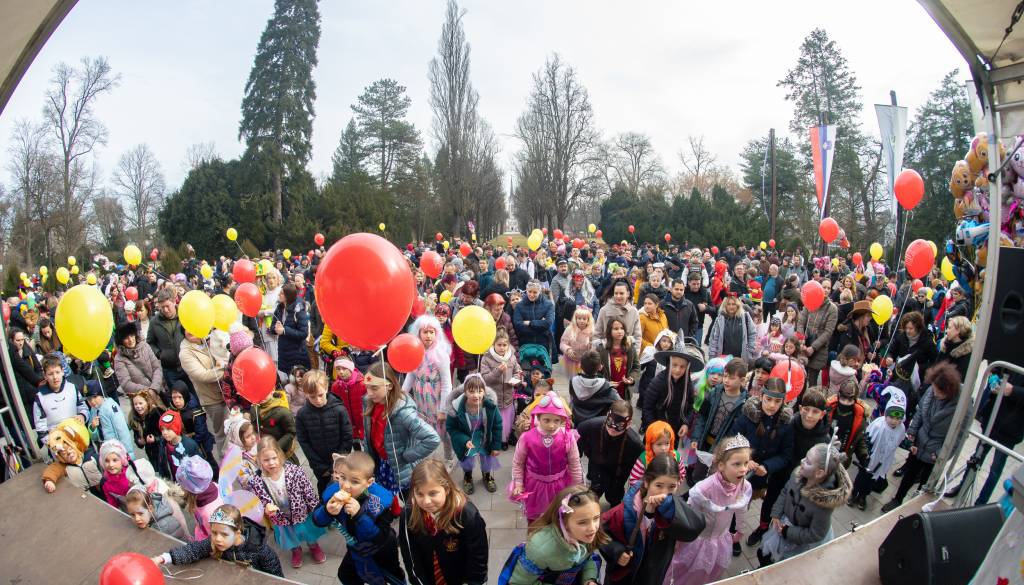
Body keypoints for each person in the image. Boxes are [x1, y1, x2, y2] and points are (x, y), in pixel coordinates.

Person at [600, 453, 706, 585]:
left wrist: (669, 508)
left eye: (671, 487)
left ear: (678, 484)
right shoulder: (623, 512)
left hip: (653, 576)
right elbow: (600, 532)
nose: (664, 493)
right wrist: (616, 551)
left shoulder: (674, 510)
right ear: (646, 482)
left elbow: (695, 528)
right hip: (625, 577)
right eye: (659, 485)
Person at [672, 435, 754, 585]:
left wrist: (740, 530)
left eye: (746, 463)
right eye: (737, 464)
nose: (743, 469)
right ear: (721, 465)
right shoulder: (705, 488)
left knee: (708, 573)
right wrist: (680, 540)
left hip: (720, 538)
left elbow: (741, 509)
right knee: (687, 573)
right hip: (698, 540)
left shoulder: (744, 485)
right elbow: (689, 515)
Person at [313, 452, 405, 583]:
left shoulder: (378, 502)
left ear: (369, 482)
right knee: (345, 576)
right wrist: (327, 511)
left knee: (392, 576)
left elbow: (381, 537)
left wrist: (359, 515)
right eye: (343, 478)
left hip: (382, 550)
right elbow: (317, 521)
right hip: (355, 547)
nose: (346, 486)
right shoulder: (333, 494)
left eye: (354, 481)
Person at [882, 362, 961, 512]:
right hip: (920, 442)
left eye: (939, 392)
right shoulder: (932, 390)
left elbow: (958, 436)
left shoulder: (960, 406)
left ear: (948, 391)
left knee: (926, 481)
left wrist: (941, 453)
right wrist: (912, 431)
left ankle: (919, 507)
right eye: (934, 389)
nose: (935, 394)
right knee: (910, 473)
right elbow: (920, 412)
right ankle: (897, 499)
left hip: (936, 451)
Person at [757, 443, 851, 566]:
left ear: (819, 473)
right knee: (764, 554)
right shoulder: (797, 475)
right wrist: (776, 513)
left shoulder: (823, 505)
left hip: (799, 540)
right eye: (805, 457)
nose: (802, 461)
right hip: (784, 525)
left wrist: (787, 532)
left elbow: (816, 533)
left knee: (784, 565)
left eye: (808, 461)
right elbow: (785, 491)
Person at [399, 459, 489, 585]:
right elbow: (410, 555)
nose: (426, 501)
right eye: (419, 494)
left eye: (433, 493)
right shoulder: (409, 513)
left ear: (446, 489)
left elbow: (478, 557)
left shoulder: (467, 514)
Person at [729, 379, 795, 548]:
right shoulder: (747, 416)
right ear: (761, 396)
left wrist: (767, 466)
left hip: (760, 477)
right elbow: (732, 440)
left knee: (744, 505)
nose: (772, 405)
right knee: (732, 504)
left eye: (777, 401)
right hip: (739, 472)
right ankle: (729, 533)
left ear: (783, 402)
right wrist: (746, 460)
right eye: (768, 399)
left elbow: (785, 454)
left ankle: (736, 534)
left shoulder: (786, 424)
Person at [500, 486, 607, 585]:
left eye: (596, 518)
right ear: (564, 522)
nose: (593, 528)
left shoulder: (587, 535)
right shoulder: (540, 550)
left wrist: (589, 580)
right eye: (582, 522)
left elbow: (588, 559)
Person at [363, 361, 441, 496]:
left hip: (400, 467)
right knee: (385, 494)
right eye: (367, 387)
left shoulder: (403, 412)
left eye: (374, 388)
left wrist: (406, 456)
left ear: (389, 386)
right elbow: (369, 433)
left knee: (407, 497)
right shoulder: (369, 402)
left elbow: (432, 438)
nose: (369, 393)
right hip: (381, 462)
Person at [249, 435, 327, 568]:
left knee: (308, 531)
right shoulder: (258, 481)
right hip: (281, 517)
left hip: (301, 512)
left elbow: (308, 490)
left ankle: (313, 546)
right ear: (259, 460)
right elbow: (259, 500)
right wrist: (266, 507)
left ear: (280, 455)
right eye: (266, 460)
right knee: (289, 536)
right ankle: (296, 550)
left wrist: (315, 508)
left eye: (274, 458)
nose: (271, 463)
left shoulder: (295, 471)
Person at [151, 504, 284, 577]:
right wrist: (163, 558)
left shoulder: (262, 551)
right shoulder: (214, 543)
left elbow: (276, 578)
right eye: (214, 533)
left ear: (237, 533)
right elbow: (193, 550)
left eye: (224, 534)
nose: (218, 539)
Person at [510, 391, 584, 523]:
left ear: (562, 420)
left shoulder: (568, 437)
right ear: (538, 417)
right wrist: (519, 483)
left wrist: (577, 486)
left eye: (556, 420)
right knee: (533, 520)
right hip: (534, 486)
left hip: (560, 486)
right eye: (547, 420)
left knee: (557, 518)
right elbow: (518, 463)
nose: (551, 425)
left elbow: (575, 464)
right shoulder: (527, 438)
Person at [404, 314, 454, 461]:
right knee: (424, 428)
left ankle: (449, 456)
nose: (428, 335)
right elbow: (411, 375)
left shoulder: (441, 355)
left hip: (436, 398)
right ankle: (427, 458)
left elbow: (447, 384)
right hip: (420, 396)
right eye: (425, 332)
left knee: (443, 430)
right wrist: (402, 393)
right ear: (418, 333)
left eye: (432, 332)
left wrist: (443, 410)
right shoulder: (415, 352)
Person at [296, 369, 354, 495]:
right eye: (312, 396)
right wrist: (319, 466)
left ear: (326, 388)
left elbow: (347, 436)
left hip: (340, 463)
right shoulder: (302, 415)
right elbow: (304, 442)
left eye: (320, 395)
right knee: (324, 491)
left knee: (343, 489)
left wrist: (338, 463)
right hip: (319, 467)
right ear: (306, 394)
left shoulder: (339, 410)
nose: (317, 400)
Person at [848, 388, 906, 510]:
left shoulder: (901, 429)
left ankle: (863, 496)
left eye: (898, 419)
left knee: (871, 481)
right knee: (861, 478)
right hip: (870, 459)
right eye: (892, 417)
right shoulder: (879, 425)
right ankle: (854, 494)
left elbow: (899, 442)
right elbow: (866, 440)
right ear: (886, 414)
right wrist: (864, 456)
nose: (894, 421)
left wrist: (909, 446)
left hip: (882, 462)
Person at [578, 400, 643, 507]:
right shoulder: (591, 426)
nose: (613, 427)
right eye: (611, 421)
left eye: (620, 424)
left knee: (614, 498)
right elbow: (578, 435)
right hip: (597, 470)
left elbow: (640, 465)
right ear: (607, 416)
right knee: (592, 497)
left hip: (617, 476)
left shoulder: (634, 443)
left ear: (628, 424)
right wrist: (582, 454)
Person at [445, 374, 502, 494]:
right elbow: (451, 428)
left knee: (486, 458)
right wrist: (464, 440)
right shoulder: (456, 408)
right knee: (468, 460)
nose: (476, 395)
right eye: (471, 391)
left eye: (479, 391)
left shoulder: (490, 406)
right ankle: (468, 476)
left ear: (484, 391)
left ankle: (487, 475)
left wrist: (496, 446)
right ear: (465, 392)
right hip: (468, 440)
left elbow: (497, 425)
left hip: (484, 438)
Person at [641, 333, 704, 434]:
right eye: (674, 365)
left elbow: (690, 406)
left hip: (675, 431)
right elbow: (647, 408)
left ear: (687, 368)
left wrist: (686, 423)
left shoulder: (688, 384)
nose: (678, 370)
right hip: (657, 432)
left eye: (682, 367)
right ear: (668, 364)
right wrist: (653, 428)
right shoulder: (658, 382)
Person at [179, 330, 228, 455]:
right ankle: (225, 462)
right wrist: (227, 371)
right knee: (222, 434)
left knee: (234, 430)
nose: (190, 330)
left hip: (228, 392)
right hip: (212, 398)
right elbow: (202, 375)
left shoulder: (209, 339)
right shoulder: (185, 353)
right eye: (186, 328)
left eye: (192, 326)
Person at [691, 358, 749, 457]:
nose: (726, 380)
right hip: (704, 443)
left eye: (731, 378)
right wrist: (696, 438)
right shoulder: (713, 393)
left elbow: (738, 432)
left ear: (742, 380)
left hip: (723, 450)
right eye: (725, 376)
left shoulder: (744, 404)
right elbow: (702, 416)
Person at [480, 329, 524, 448]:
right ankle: (495, 440)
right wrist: (498, 371)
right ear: (493, 344)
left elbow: (517, 371)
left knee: (507, 421)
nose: (502, 348)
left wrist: (516, 379)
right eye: (499, 345)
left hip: (508, 397)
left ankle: (505, 439)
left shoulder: (511, 357)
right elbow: (485, 379)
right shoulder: (486, 358)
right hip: (494, 398)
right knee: (495, 421)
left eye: (505, 345)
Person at [147, 288, 193, 398]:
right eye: (162, 307)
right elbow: (150, 342)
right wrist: (159, 354)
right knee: (178, 399)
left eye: (168, 306)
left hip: (188, 365)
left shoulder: (184, 315)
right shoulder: (154, 322)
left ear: (174, 301)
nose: (165, 310)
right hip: (170, 369)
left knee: (194, 395)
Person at [32, 354, 87, 442]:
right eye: (50, 374)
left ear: (62, 372)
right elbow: (41, 429)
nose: (55, 377)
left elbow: (83, 408)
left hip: (77, 437)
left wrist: (82, 416)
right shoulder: (40, 398)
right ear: (45, 376)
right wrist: (51, 442)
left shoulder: (72, 388)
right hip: (57, 442)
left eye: (57, 372)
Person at [98, 439, 167, 508]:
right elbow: (112, 504)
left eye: (115, 460)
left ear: (122, 459)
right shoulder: (105, 482)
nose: (111, 465)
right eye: (107, 461)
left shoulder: (132, 474)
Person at [113, 321, 167, 408]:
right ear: (121, 341)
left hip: (159, 391)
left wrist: (154, 387)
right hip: (142, 401)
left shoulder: (145, 346)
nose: (130, 340)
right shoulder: (119, 359)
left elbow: (157, 367)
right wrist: (147, 391)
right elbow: (126, 384)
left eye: (131, 335)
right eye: (126, 338)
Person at [166, 385, 218, 468]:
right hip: (182, 444)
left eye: (180, 397)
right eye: (174, 398)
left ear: (185, 396)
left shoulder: (195, 412)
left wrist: (191, 445)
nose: (177, 401)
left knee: (207, 463)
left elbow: (201, 432)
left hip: (199, 444)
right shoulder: (170, 412)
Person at [176, 454, 224, 541]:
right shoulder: (213, 486)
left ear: (191, 488)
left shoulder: (209, 514)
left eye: (181, 484)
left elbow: (216, 539)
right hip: (202, 531)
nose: (181, 487)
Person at [568, 350, 619, 430]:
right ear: (600, 367)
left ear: (580, 366)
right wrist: (610, 387)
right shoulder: (606, 386)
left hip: (578, 423)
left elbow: (572, 399)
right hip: (596, 426)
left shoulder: (572, 381)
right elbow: (619, 402)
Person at [826, 379, 869, 470]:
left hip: (842, 460)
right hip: (823, 455)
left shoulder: (859, 417)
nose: (845, 403)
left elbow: (859, 439)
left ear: (855, 400)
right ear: (838, 396)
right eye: (843, 399)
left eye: (849, 400)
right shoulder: (828, 410)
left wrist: (863, 456)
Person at [797, 290, 839, 386]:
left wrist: (813, 347)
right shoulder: (809, 303)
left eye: (828, 287)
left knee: (812, 380)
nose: (826, 290)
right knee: (800, 377)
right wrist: (801, 339)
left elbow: (828, 332)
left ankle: (811, 396)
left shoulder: (832, 308)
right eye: (824, 287)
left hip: (819, 349)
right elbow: (800, 323)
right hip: (804, 344)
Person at [628, 420, 687, 486]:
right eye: (659, 444)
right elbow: (634, 479)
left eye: (667, 443)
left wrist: (674, 484)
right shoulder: (644, 459)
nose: (663, 448)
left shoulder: (676, 456)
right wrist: (644, 488)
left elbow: (682, 473)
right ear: (650, 444)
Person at [595, 317, 641, 400]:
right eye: (616, 329)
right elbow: (595, 371)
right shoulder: (601, 349)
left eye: (622, 328)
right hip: (607, 392)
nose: (620, 331)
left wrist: (631, 378)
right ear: (609, 331)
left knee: (623, 408)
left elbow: (636, 367)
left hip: (624, 391)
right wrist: (606, 383)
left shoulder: (630, 347)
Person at [124, 486, 190, 541]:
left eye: (140, 514)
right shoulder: (148, 518)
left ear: (150, 509)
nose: (137, 519)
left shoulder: (164, 526)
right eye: (132, 515)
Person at [83, 380, 134, 450]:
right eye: (89, 399)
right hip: (104, 448)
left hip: (116, 449)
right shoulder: (93, 409)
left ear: (101, 394)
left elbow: (123, 431)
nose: (92, 401)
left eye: (95, 397)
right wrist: (93, 427)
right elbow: (95, 438)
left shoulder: (111, 407)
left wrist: (128, 453)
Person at [273, 283, 311, 376]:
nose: (279, 295)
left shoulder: (299, 310)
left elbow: (303, 333)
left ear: (288, 296)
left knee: (298, 379)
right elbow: (273, 326)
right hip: (284, 352)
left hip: (297, 353)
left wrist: (284, 330)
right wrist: (275, 328)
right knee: (288, 378)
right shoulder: (279, 308)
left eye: (282, 293)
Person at [594, 280, 642, 350]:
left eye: (621, 293)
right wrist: (599, 352)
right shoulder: (604, 310)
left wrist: (635, 354)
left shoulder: (634, 312)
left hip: (627, 352)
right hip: (607, 351)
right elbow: (597, 334)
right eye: (616, 293)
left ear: (628, 294)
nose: (618, 296)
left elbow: (637, 336)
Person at [330, 358, 366, 451]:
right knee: (355, 445)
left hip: (363, 421)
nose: (341, 372)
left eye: (344, 368)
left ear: (350, 368)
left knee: (367, 446)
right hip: (348, 422)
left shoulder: (363, 384)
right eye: (338, 369)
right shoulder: (335, 386)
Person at [707, 295, 756, 362]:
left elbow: (752, 334)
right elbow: (714, 338)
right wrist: (712, 356)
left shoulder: (745, 317)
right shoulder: (720, 318)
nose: (731, 306)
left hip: (740, 358)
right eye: (728, 304)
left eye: (733, 304)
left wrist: (749, 352)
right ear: (725, 305)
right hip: (723, 358)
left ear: (738, 305)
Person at [156, 410, 202, 480]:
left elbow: (200, 466)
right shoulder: (163, 444)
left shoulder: (189, 445)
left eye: (168, 429)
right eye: (162, 429)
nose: (164, 433)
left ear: (177, 428)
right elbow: (162, 463)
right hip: (172, 481)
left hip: (188, 482)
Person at [255, 390, 298, 464]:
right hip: (267, 453)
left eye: (264, 392)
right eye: (258, 394)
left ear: (272, 391)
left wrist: (276, 447)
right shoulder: (255, 409)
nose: (261, 396)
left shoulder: (282, 411)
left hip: (284, 453)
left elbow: (291, 432)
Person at [513, 280, 555, 351]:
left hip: (544, 344)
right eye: (529, 292)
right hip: (525, 344)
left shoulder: (548, 305)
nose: (532, 295)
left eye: (535, 292)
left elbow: (548, 323)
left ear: (539, 291)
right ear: (526, 290)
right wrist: (541, 327)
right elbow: (518, 325)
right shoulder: (519, 306)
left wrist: (530, 323)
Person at [9, 328, 43, 409]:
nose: (21, 343)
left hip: (33, 393)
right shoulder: (10, 356)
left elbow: (38, 368)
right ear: (12, 341)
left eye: (22, 340)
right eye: (18, 340)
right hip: (19, 396)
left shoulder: (28, 351)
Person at [560, 306, 595, 378]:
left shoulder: (591, 331)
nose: (581, 321)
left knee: (584, 379)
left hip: (585, 361)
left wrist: (591, 347)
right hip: (571, 360)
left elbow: (594, 345)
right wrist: (568, 349)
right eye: (579, 318)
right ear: (575, 319)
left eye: (584, 319)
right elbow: (562, 343)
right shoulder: (569, 329)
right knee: (572, 379)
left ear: (588, 320)